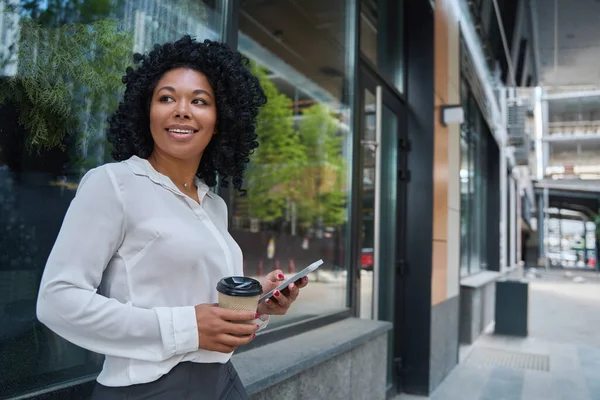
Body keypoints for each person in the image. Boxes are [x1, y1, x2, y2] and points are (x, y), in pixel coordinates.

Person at [36, 35, 309, 400]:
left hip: (222, 381)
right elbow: (57, 301)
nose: (181, 109)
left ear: (219, 121)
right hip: (148, 389)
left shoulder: (213, 204)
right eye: (166, 98)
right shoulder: (114, 184)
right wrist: (188, 328)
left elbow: (193, 300)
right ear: (146, 111)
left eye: (199, 101)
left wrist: (254, 302)